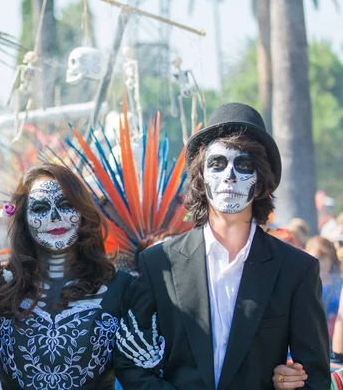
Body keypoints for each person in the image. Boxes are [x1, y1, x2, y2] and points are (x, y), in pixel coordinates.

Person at [114, 102, 331, 389]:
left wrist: (288, 381)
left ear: (261, 182)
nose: (229, 176)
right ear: (201, 178)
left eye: (243, 165)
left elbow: (313, 377)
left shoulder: (297, 269)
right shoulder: (159, 265)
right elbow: (129, 362)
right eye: (217, 164)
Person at [0, 163, 132, 389]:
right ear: (23, 217)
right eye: (41, 208)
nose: (54, 217)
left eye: (65, 205)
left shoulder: (121, 286)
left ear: (83, 213)